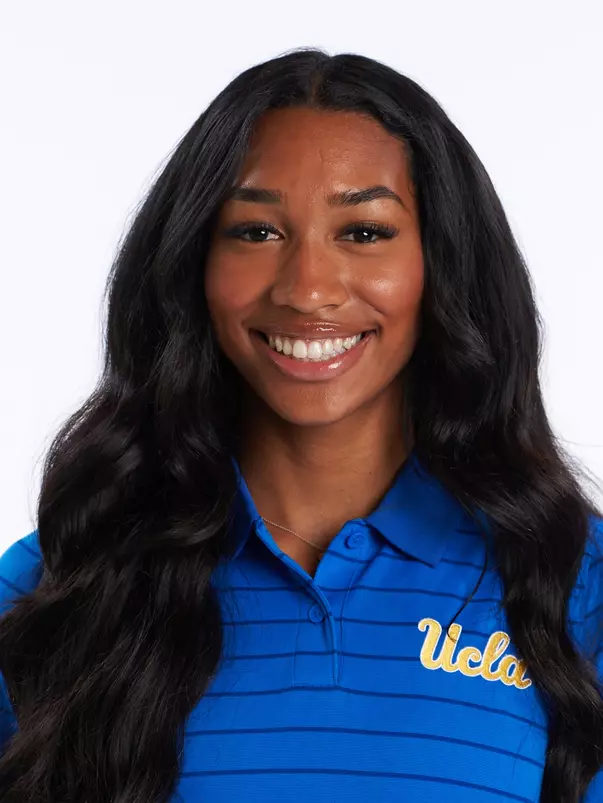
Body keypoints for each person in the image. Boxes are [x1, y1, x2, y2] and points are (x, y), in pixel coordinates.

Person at [0, 48, 602, 803]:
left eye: (365, 232)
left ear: (441, 265)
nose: (308, 289)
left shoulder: (574, 581)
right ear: (193, 264)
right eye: (255, 232)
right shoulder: (58, 584)